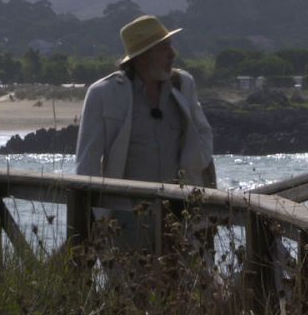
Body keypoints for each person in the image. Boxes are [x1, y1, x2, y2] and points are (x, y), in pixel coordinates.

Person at [75, 14, 216, 251]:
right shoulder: (104, 94)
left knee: (185, 274)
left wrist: (195, 165)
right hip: (127, 218)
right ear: (141, 58)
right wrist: (96, 221)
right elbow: (87, 163)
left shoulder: (183, 84)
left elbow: (203, 132)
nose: (172, 54)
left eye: (170, 46)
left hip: (180, 212)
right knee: (132, 276)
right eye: (164, 48)